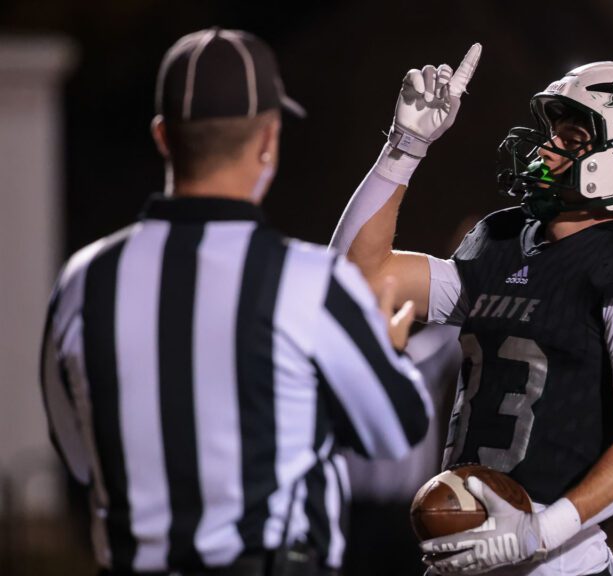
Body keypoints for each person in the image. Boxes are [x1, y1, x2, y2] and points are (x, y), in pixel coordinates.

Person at [38, 28, 431, 576]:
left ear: (163, 137)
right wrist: (387, 350)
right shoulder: (307, 279)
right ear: (268, 139)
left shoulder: (85, 279)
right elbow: (395, 430)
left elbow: (79, 459)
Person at [333, 44, 613, 575]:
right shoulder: (503, 239)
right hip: (467, 555)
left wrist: (539, 532)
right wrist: (405, 146)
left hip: (558, 562)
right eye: (555, 133)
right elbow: (358, 277)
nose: (547, 149)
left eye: (573, 139)